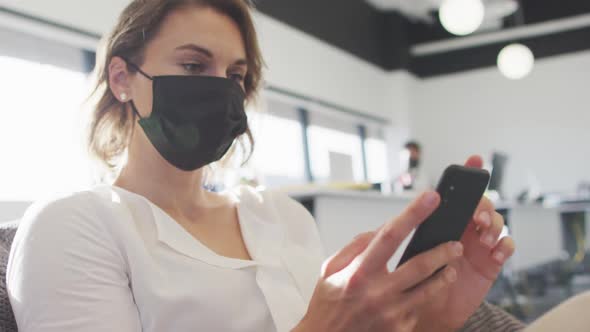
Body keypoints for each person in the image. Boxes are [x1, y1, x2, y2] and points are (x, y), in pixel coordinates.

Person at [6, 0, 517, 331]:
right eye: (192, 65)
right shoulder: (74, 225)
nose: (221, 87)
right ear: (122, 78)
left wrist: (436, 321)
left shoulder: (282, 216)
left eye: (236, 73)